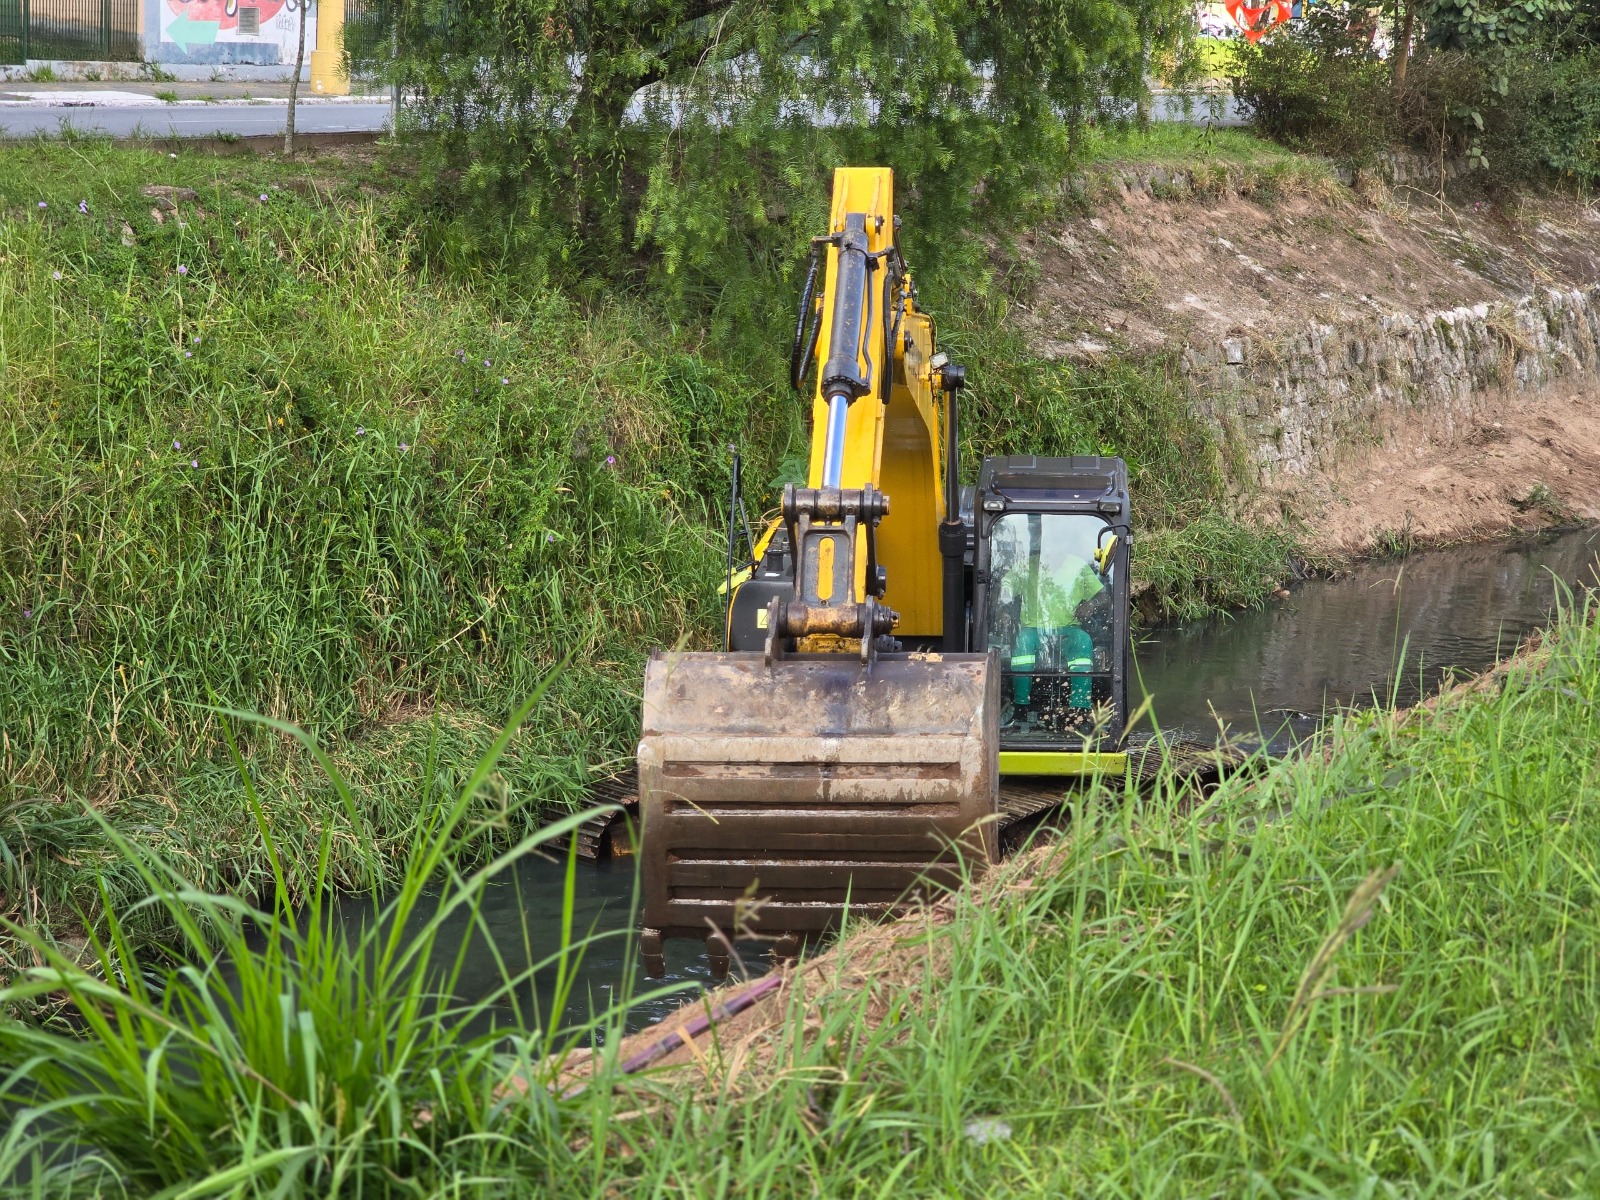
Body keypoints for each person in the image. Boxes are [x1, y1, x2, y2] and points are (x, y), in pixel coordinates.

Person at [1001, 549, 1105, 711]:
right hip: (1033, 629)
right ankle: (1021, 706)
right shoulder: (1026, 564)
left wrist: (1091, 604)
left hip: (1068, 629)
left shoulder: (1078, 565)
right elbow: (1007, 584)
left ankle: (1079, 708)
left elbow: (1103, 595)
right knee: (1023, 641)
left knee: (1082, 640)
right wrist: (1004, 605)